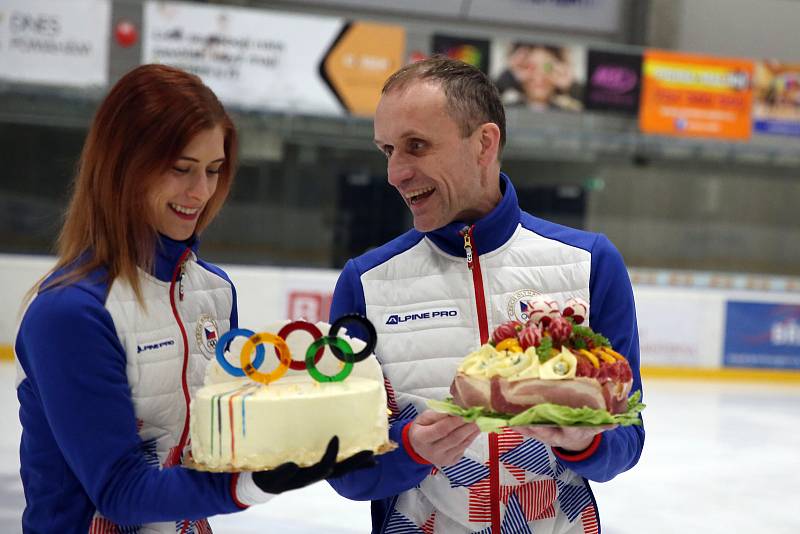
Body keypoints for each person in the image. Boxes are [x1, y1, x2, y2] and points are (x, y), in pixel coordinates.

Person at [14, 64, 372, 533]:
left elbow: (220, 441)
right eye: (182, 169)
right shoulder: (70, 313)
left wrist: (312, 425)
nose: (201, 192)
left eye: (214, 170)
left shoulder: (214, 292)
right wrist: (250, 484)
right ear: (124, 166)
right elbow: (119, 491)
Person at [328, 57, 644, 533]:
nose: (395, 173)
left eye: (416, 146)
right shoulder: (366, 282)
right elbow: (345, 470)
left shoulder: (590, 263)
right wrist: (410, 448)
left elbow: (628, 440)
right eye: (387, 150)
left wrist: (584, 442)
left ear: (484, 143)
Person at [495, 43, 583, 111]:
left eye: (548, 68)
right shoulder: (503, 110)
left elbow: (594, 103)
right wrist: (509, 75)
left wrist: (571, 86)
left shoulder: (570, 112)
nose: (539, 76)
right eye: (530, 67)